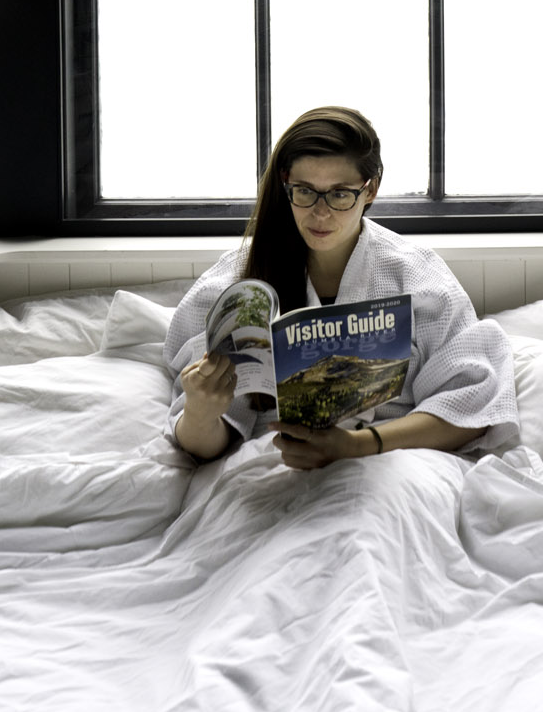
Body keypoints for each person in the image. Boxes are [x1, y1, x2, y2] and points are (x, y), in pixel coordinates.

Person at [163, 106, 518, 470]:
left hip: (392, 465)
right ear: (286, 186)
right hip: (270, 469)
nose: (320, 213)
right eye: (304, 191)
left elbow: (470, 407)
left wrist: (356, 446)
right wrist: (200, 413)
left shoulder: (419, 279)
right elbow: (205, 446)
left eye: (340, 194)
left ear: (370, 190)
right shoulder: (238, 286)